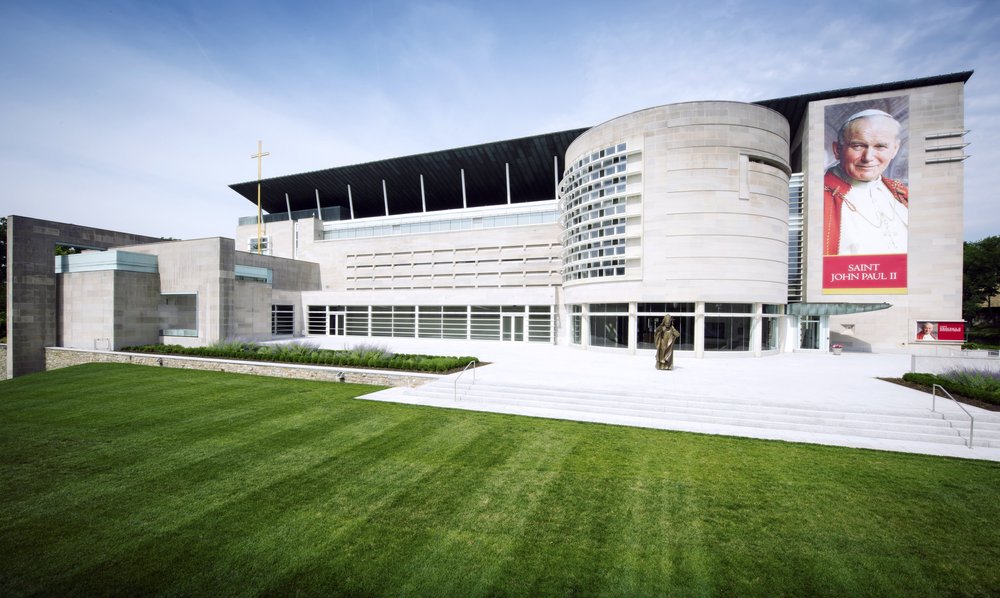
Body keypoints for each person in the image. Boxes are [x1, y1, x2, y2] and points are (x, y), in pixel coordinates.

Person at [824, 109, 908, 256]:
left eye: (880, 146)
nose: (868, 157)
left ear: (895, 149)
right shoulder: (818, 196)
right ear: (837, 150)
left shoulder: (901, 193)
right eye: (858, 146)